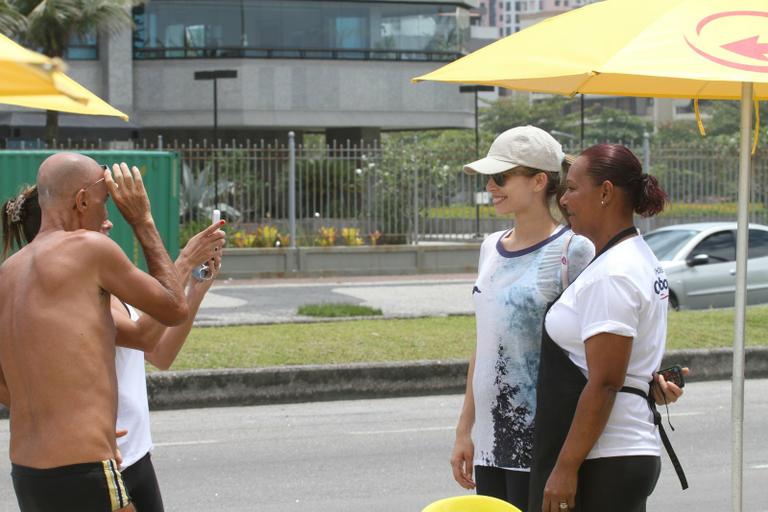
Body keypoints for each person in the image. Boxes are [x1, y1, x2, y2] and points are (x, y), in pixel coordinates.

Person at [3, 185, 226, 512]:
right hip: (100, 457)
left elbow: (160, 354)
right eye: (99, 207)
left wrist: (197, 287)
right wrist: (183, 259)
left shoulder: (99, 283)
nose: (108, 221)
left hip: (134, 454)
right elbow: (145, 334)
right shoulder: (67, 292)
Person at [528, 143, 686, 512]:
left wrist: (565, 469)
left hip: (604, 456)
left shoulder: (613, 273)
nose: (563, 200)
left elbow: (605, 381)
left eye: (571, 188)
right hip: (618, 451)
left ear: (605, 192)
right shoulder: (633, 257)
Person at [450, 126, 595, 511]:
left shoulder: (573, 250)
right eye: (489, 179)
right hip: (491, 443)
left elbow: (592, 347)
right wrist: (465, 430)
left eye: (500, 177)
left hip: (545, 439)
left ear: (538, 181)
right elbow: (485, 343)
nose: (491, 187)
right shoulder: (489, 249)